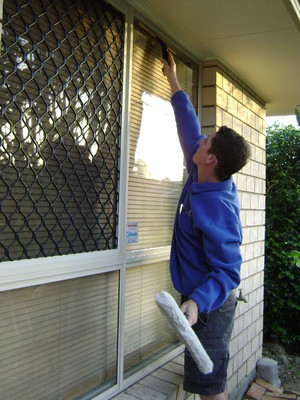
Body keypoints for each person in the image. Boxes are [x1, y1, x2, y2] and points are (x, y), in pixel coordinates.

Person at [161, 51, 251, 400]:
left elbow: (228, 272)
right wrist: (173, 80)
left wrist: (197, 303)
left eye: (207, 142)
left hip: (210, 306)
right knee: (203, 384)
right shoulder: (201, 170)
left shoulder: (217, 206)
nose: (201, 140)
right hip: (198, 298)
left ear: (211, 158)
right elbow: (188, 127)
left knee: (211, 390)